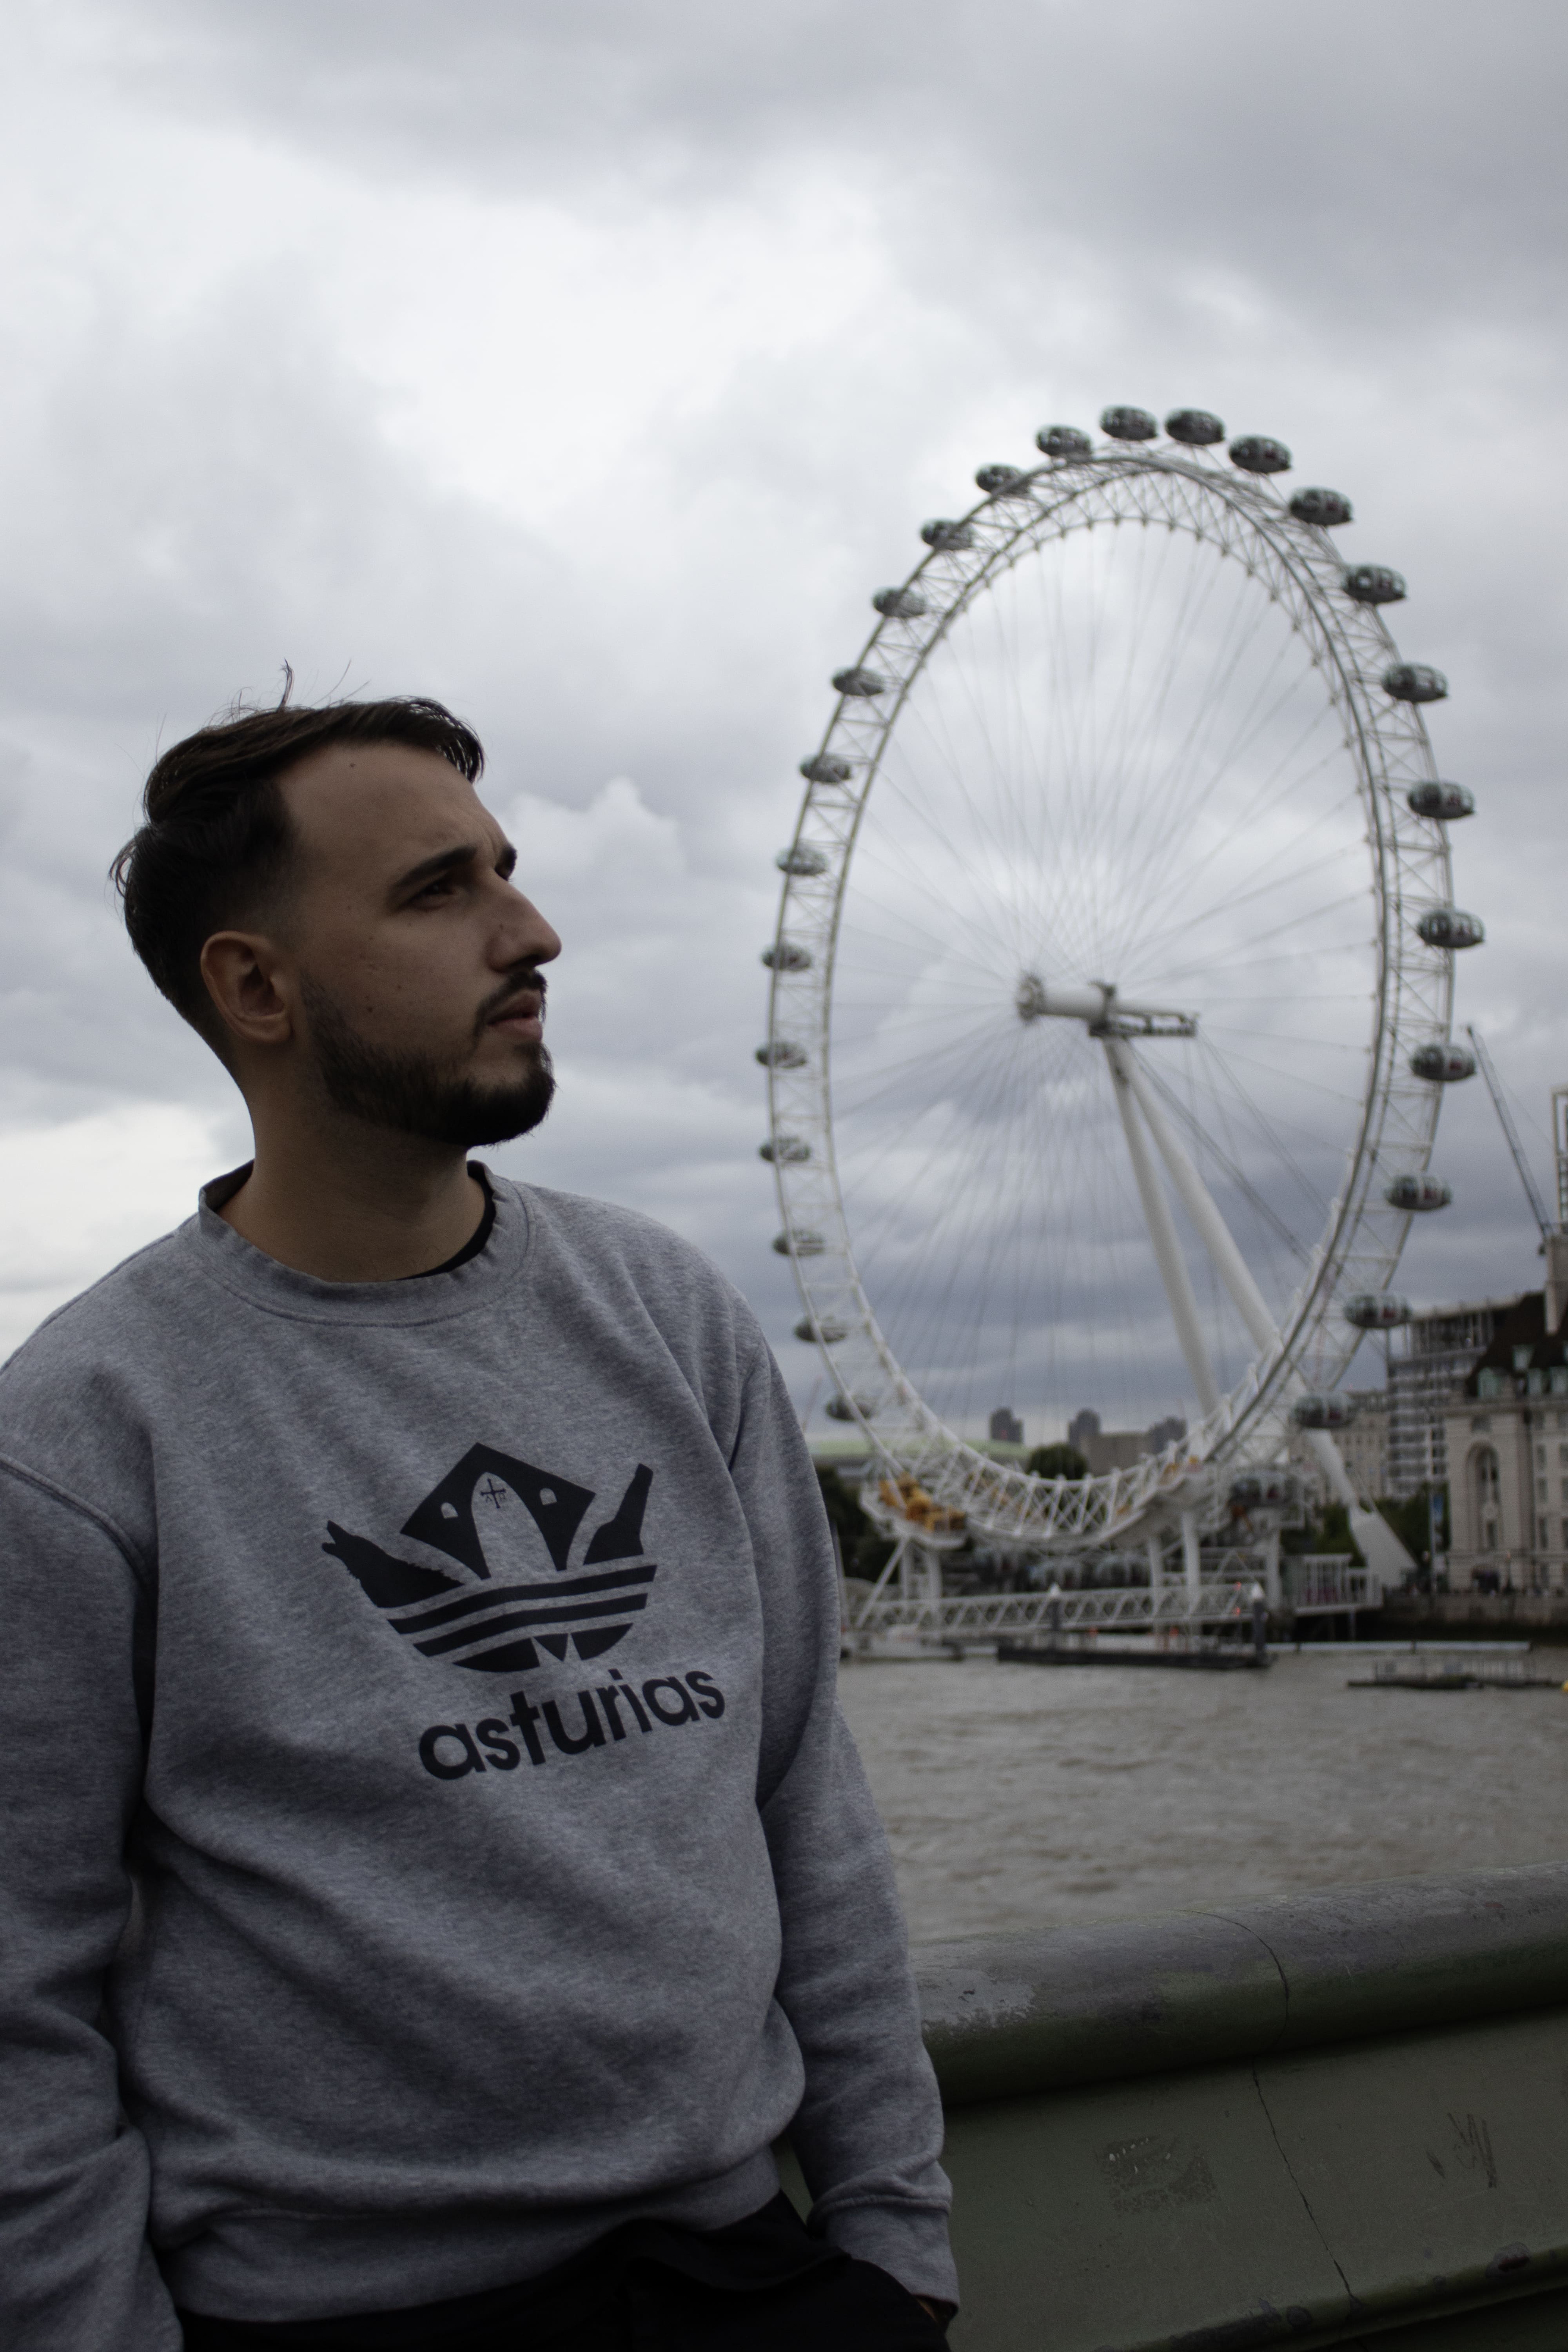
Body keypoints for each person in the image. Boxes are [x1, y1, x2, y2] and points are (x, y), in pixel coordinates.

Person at [0, 696, 956, 2350]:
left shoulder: (670, 1315)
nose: (535, 932)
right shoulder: (85, 1435)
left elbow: (803, 1792)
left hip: (758, 2271)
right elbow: (19, 1997)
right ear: (255, 987)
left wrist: (892, 2249)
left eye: (506, 872)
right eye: (440, 893)